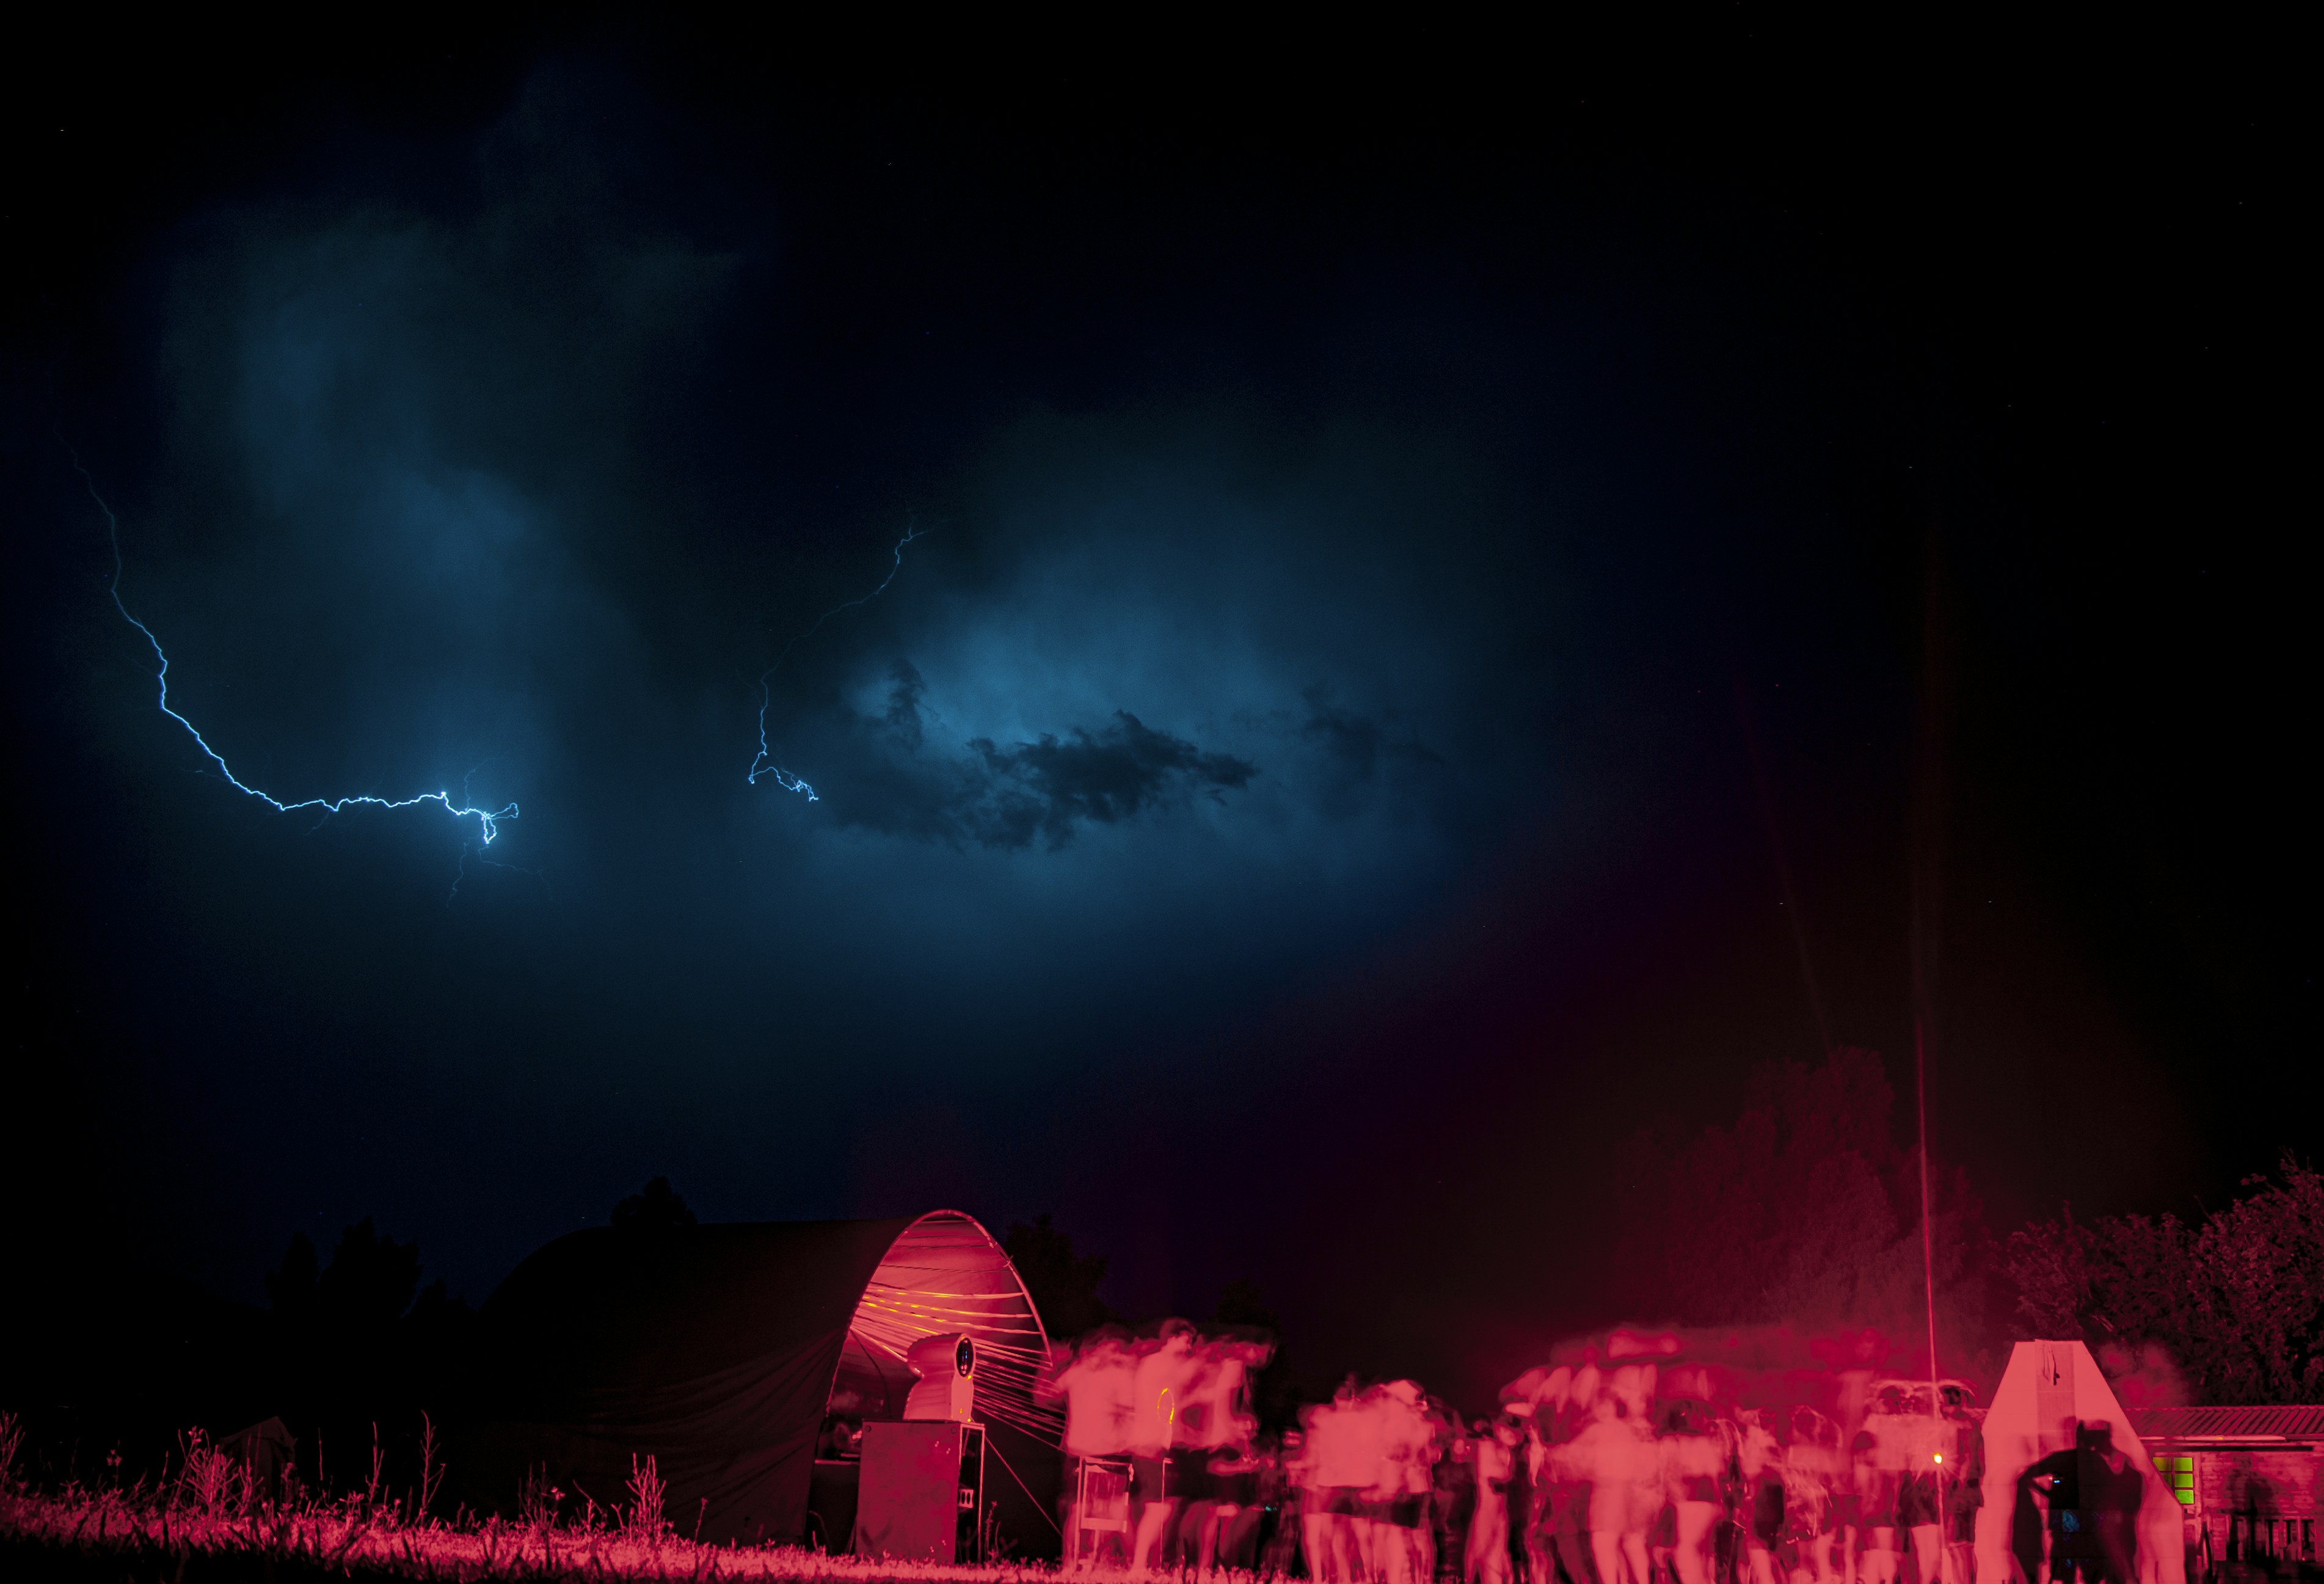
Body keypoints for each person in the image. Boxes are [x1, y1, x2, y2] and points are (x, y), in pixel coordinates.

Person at [1130, 1320, 1200, 1571]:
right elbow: (1166, 1405)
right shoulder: (1161, 1365)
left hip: (1156, 1443)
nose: (1189, 1346)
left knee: (1165, 1507)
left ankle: (1150, 1564)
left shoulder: (1155, 1364)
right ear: (1172, 1339)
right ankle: (1139, 1566)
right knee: (1159, 1509)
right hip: (1152, 1444)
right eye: (1186, 1339)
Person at [1470, 1418, 1518, 1584]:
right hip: (1489, 1509)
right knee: (1486, 1552)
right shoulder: (1486, 1447)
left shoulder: (1506, 1451)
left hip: (1500, 1510)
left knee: (1497, 1553)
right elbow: (1495, 1478)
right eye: (1503, 1431)